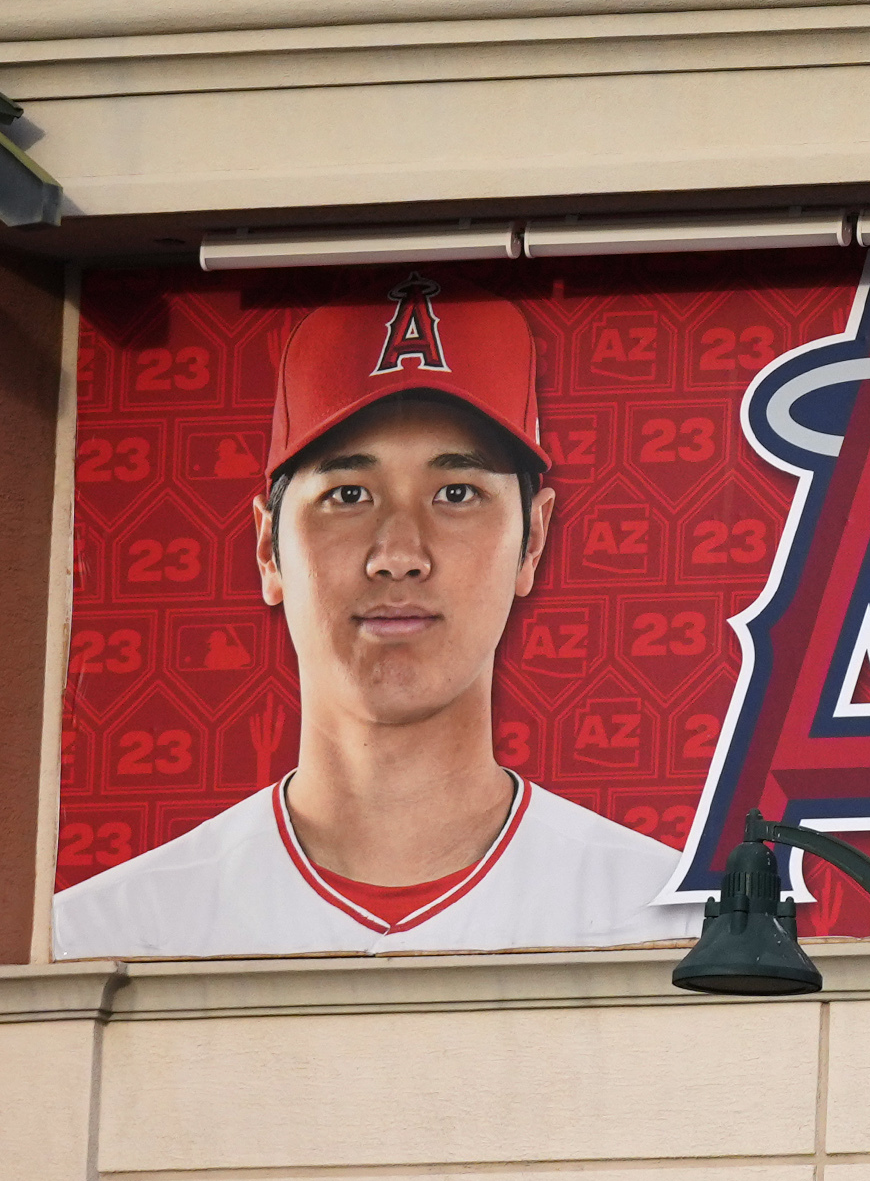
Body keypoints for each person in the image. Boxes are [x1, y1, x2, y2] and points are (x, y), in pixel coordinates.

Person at [54, 275, 695, 958]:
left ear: (532, 540)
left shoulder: (670, 927)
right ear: (269, 547)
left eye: (456, 492)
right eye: (349, 494)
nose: (399, 556)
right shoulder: (102, 937)